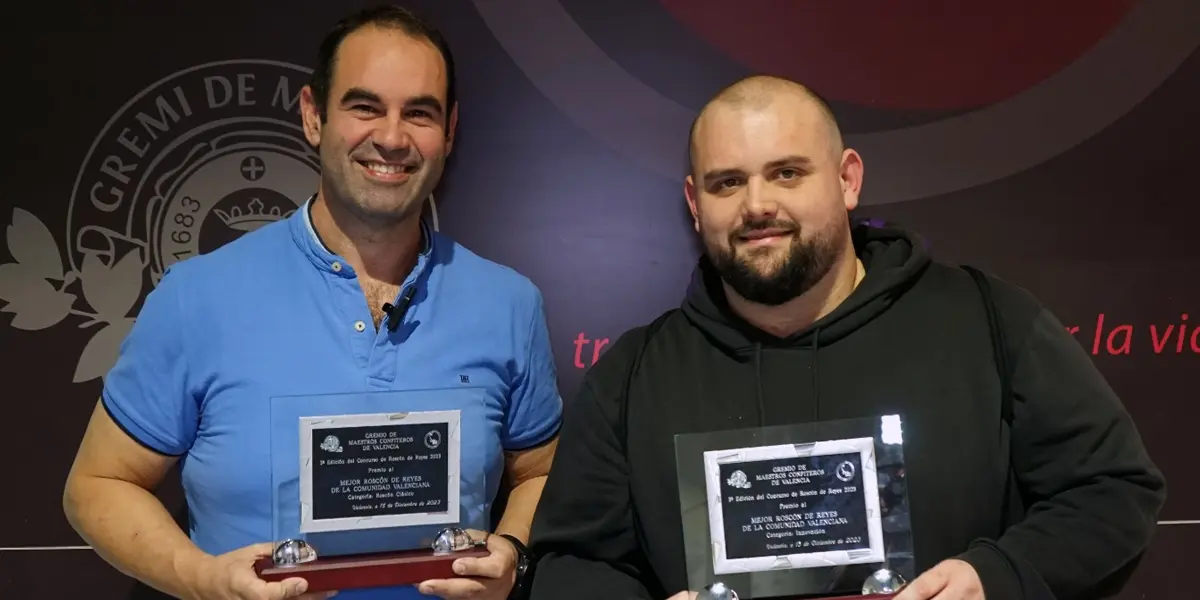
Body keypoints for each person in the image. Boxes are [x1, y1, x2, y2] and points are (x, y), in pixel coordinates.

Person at [526, 75, 1166, 600]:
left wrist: (991, 578)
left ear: (847, 179)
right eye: (728, 182)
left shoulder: (989, 320)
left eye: (787, 173)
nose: (756, 205)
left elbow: (1111, 492)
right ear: (695, 203)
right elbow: (573, 562)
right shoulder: (634, 376)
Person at [62, 6, 561, 600]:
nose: (393, 137)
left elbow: (540, 473)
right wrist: (202, 579)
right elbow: (97, 484)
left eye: (419, 113)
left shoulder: (509, 304)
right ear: (313, 116)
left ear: (449, 131)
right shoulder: (198, 297)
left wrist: (513, 552)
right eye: (365, 106)